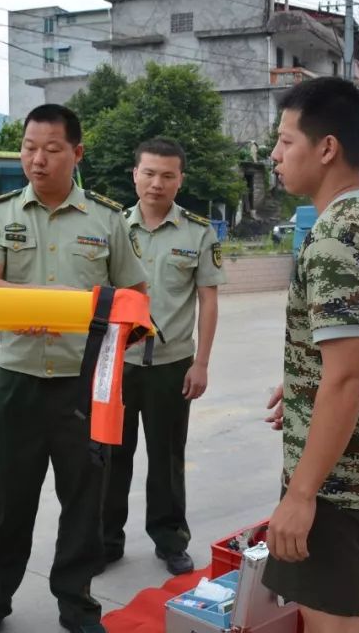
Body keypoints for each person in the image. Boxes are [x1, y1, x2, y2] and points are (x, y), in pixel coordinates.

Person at [0, 103, 148, 633]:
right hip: (18, 383)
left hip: (84, 387)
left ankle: (76, 601)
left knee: (84, 503)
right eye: (28, 147)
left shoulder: (106, 219)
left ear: (76, 153)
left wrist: (90, 307)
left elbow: (134, 294)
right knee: (4, 501)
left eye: (50, 148)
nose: (37, 159)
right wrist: (40, 301)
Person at [261, 77, 359, 633]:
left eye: (285, 142)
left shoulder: (333, 238)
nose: (275, 156)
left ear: (326, 148)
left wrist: (302, 495)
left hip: (337, 485)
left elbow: (348, 378)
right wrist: (308, 384)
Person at [101, 138, 225, 575]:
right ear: (134, 174)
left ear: (180, 180)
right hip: (118, 363)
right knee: (111, 455)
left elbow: (208, 301)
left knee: (167, 457)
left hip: (173, 365)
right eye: (149, 173)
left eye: (167, 175)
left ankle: (170, 539)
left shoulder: (197, 232)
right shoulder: (112, 226)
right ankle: (106, 540)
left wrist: (202, 362)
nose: (157, 183)